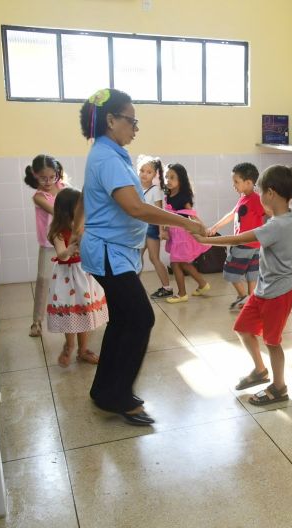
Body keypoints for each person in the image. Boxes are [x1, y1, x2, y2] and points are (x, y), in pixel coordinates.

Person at [76, 88, 204, 426]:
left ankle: (105, 390)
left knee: (122, 320)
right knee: (141, 318)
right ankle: (119, 396)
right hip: (108, 253)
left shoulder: (112, 152)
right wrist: (184, 222)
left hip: (115, 252)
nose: (135, 128)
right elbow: (134, 207)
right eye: (131, 120)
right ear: (111, 120)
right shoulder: (105, 156)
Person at [196, 165, 292, 406]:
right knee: (243, 328)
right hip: (264, 289)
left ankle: (280, 387)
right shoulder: (286, 218)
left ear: (271, 193)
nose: (259, 197)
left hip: (278, 293)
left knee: (272, 342)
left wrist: (208, 239)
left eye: (261, 192)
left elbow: (243, 238)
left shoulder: (277, 225)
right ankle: (260, 371)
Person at [46, 188, 108, 367]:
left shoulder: (83, 226)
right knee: (71, 311)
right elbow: (62, 255)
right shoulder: (57, 232)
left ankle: (83, 350)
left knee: (85, 312)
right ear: (67, 210)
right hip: (67, 278)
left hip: (84, 274)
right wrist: (70, 249)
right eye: (79, 207)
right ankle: (70, 344)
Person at [208, 162, 265, 310]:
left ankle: (244, 297)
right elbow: (232, 214)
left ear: (249, 182)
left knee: (230, 272)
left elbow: (266, 217)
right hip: (253, 245)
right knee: (251, 274)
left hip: (245, 244)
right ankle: (250, 303)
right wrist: (216, 226)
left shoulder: (256, 199)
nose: (233, 185)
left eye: (236, 182)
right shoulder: (243, 197)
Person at [24, 154, 67, 337]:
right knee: (43, 280)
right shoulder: (39, 196)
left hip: (68, 238)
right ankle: (36, 322)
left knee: (78, 277)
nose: (48, 181)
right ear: (35, 175)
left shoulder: (63, 188)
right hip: (49, 242)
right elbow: (57, 211)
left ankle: (84, 312)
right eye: (43, 178)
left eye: (52, 177)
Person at [161, 163, 211, 303]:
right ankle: (202, 284)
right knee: (182, 263)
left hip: (182, 234)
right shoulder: (169, 195)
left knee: (176, 263)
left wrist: (202, 227)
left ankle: (182, 294)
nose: (168, 180)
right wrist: (165, 229)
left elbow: (191, 213)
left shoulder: (183, 197)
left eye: (172, 177)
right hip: (175, 233)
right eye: (166, 177)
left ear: (180, 180)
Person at [137, 154, 173, 299]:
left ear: (155, 174)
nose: (144, 174)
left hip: (152, 227)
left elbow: (159, 213)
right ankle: (134, 287)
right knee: (136, 257)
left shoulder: (155, 190)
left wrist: (161, 230)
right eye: (142, 170)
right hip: (139, 227)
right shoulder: (135, 188)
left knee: (154, 258)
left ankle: (167, 287)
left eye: (149, 172)